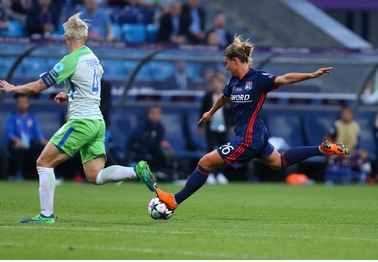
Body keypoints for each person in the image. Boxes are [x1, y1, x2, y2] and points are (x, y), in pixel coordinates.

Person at [155, 35, 349, 210]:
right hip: (255, 135)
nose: (225, 67)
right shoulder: (234, 81)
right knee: (279, 162)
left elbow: (286, 78)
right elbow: (225, 96)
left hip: (249, 138)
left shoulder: (259, 79)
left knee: (205, 162)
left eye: (226, 63)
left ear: (235, 61)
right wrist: (210, 112)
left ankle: (174, 200)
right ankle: (321, 149)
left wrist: (312, 75)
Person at [0, 13, 156, 224]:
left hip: (81, 122)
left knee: (43, 162)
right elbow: (87, 89)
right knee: (95, 175)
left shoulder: (70, 61)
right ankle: (135, 170)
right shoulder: (93, 58)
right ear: (86, 37)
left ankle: (46, 215)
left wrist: (13, 88)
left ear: (66, 38)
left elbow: (37, 86)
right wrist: (69, 94)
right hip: (98, 122)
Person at [198, 73, 233, 184]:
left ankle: (221, 174)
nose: (216, 85)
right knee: (211, 151)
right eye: (214, 82)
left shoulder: (228, 97)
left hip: (223, 129)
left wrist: (232, 125)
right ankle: (211, 174)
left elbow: (231, 113)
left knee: (224, 152)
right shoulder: (208, 97)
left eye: (219, 82)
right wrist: (200, 126)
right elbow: (202, 111)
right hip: (211, 128)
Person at [6, 94, 48, 181]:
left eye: (24, 102)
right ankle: (18, 173)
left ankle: (48, 175)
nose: (22, 104)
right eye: (20, 102)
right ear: (17, 103)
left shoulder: (32, 117)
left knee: (46, 149)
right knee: (19, 147)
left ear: (28, 103)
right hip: (16, 143)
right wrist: (17, 140)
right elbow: (9, 133)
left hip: (29, 142)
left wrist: (44, 141)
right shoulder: (12, 116)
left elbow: (38, 133)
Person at [324, 106, 371, 183]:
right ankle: (332, 179)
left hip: (352, 150)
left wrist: (361, 151)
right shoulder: (336, 125)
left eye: (349, 114)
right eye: (345, 113)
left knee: (366, 157)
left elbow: (358, 143)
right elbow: (327, 140)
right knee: (335, 157)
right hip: (338, 150)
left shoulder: (355, 126)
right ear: (341, 115)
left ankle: (364, 179)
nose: (347, 115)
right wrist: (343, 149)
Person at [126, 105, 174, 170]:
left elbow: (158, 141)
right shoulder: (142, 126)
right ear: (149, 114)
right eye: (153, 113)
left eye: (158, 113)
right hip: (140, 151)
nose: (155, 115)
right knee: (144, 151)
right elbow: (138, 141)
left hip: (154, 150)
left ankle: (163, 172)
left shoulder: (160, 127)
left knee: (162, 154)